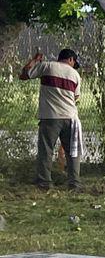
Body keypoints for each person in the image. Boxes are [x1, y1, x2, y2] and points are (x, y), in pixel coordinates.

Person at [18, 49, 81, 191]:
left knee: (46, 150)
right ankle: (74, 184)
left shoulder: (47, 66)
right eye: (74, 62)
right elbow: (76, 97)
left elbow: (24, 75)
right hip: (70, 117)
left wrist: (34, 60)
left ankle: (45, 183)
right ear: (70, 59)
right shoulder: (75, 75)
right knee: (72, 152)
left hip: (50, 117)